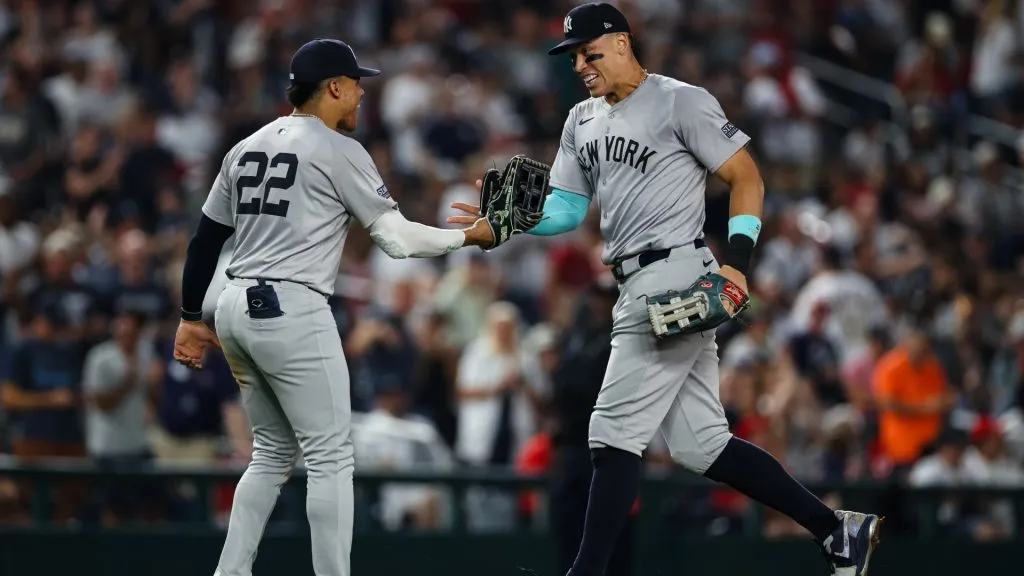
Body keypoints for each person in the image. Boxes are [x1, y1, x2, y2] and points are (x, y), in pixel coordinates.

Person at [448, 4, 881, 575]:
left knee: (610, 432)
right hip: (631, 281)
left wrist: (740, 263)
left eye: (590, 51)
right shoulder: (581, 118)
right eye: (573, 56)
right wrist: (507, 224)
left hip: (676, 271)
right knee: (701, 445)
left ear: (624, 42)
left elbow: (746, 177)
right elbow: (568, 209)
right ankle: (836, 530)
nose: (580, 63)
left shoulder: (681, 99)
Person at [171, 38, 495, 576]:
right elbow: (397, 240)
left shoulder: (246, 145)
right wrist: (469, 239)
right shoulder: (338, 149)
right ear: (335, 87)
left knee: (271, 453)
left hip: (232, 306)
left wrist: (187, 317)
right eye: (357, 86)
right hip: (290, 306)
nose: (362, 97)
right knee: (330, 457)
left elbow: (205, 240)